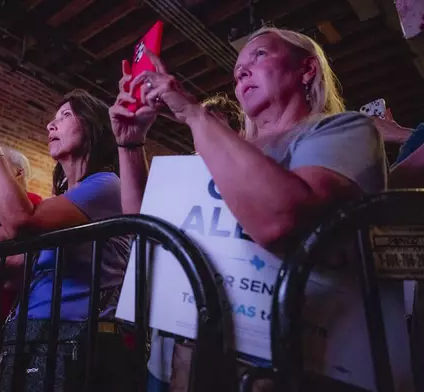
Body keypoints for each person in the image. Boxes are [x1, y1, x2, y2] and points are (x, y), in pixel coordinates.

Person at [110, 27, 389, 390]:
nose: (240, 71)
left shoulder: (346, 130)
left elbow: (280, 220)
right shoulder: (224, 147)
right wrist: (130, 146)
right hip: (174, 359)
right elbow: (145, 226)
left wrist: (195, 114)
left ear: (306, 69)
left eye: (258, 55)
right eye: (237, 67)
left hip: (281, 367)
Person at [0, 89, 135, 391]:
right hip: (36, 333)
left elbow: (20, 221)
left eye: (66, 115)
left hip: (74, 336)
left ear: (94, 128)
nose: (50, 125)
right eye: (53, 118)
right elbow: (2, 233)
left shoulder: (107, 184)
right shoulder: (62, 200)